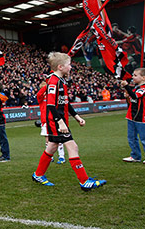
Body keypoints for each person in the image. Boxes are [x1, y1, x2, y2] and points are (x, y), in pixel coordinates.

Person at [32, 52, 106, 189]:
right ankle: (84, 181)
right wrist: (60, 122)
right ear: (60, 67)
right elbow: (50, 105)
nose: (71, 67)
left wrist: (77, 117)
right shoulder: (53, 82)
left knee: (52, 147)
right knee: (73, 147)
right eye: (69, 65)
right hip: (56, 122)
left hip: (58, 121)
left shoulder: (60, 81)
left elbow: (65, 103)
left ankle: (38, 174)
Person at [120, 67, 145, 164]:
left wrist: (126, 87)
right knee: (131, 137)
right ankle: (135, 156)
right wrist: (127, 97)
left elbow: (135, 96)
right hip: (131, 116)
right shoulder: (136, 88)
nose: (133, 77)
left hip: (142, 116)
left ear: (144, 78)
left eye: (135, 75)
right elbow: (132, 102)